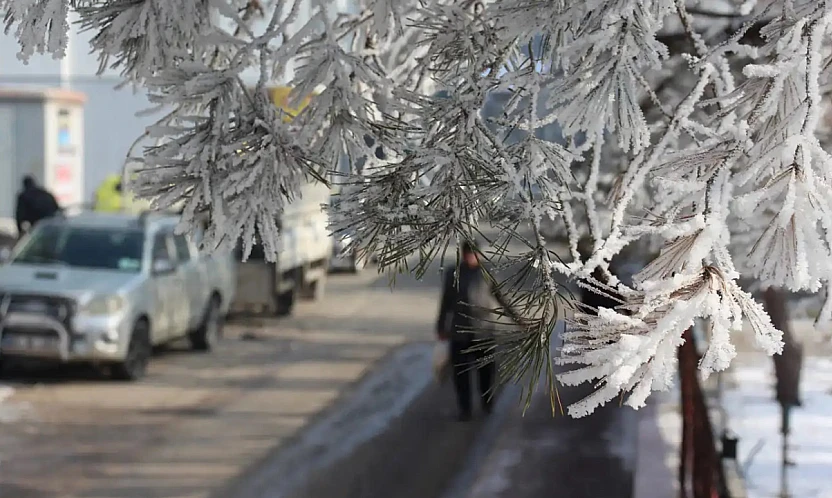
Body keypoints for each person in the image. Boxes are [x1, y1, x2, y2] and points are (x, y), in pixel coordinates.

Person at [436, 240, 523, 421]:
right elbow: (446, 301)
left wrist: (519, 319)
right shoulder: (454, 274)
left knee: (486, 372)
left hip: (483, 330)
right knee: (461, 374)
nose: (470, 257)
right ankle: (465, 409)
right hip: (460, 331)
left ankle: (487, 404)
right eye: (467, 254)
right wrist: (441, 326)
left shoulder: (487, 272)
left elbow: (502, 299)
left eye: (473, 254)